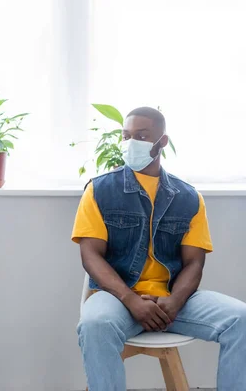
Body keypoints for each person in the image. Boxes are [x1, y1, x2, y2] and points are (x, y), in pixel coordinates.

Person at [72, 107, 246, 390]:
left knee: (241, 319)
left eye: (141, 136)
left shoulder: (189, 198)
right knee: (95, 325)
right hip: (117, 298)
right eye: (127, 136)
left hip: (172, 299)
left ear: (162, 142)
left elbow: (194, 264)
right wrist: (130, 300)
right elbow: (90, 255)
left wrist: (175, 302)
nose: (131, 143)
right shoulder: (99, 190)